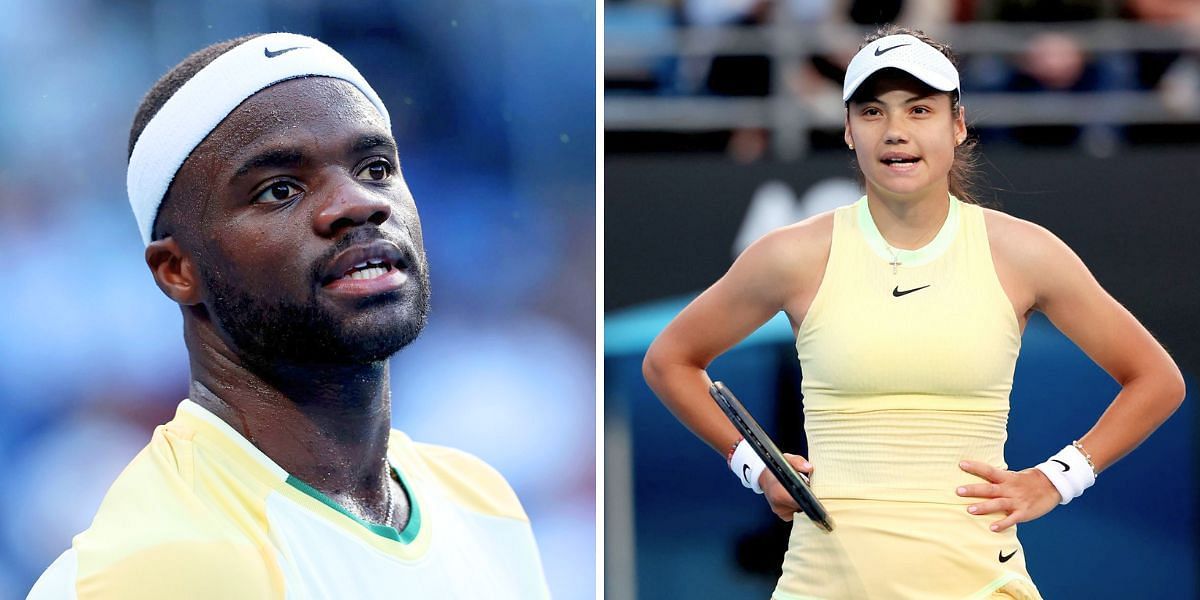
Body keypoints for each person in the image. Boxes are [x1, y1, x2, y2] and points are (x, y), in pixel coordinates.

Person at [642, 25, 1185, 599]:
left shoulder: (1026, 253)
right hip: (824, 582)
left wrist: (1057, 479)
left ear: (957, 125)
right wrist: (755, 466)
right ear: (849, 132)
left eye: (919, 109)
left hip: (980, 581)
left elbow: (1156, 380)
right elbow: (671, 361)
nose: (896, 131)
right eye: (873, 112)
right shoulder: (790, 255)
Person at [27, 33, 549, 599]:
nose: (358, 203)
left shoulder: (480, 500)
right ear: (177, 269)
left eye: (375, 168)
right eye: (279, 190)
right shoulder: (158, 564)